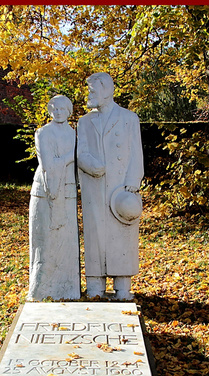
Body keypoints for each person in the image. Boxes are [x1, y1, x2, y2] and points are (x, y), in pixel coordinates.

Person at [75, 73, 143, 300]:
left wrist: (133, 181)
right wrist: (90, 165)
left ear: (106, 90)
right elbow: (81, 152)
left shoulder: (128, 118)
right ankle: (95, 285)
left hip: (121, 189)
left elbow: (136, 153)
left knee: (122, 235)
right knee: (95, 236)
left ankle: (123, 286)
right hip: (94, 187)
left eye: (93, 90)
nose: (89, 94)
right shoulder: (84, 122)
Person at [26, 96, 82, 301]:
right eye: (54, 108)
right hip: (45, 192)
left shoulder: (75, 135)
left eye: (62, 108)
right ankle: (41, 289)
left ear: (69, 111)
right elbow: (48, 164)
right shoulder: (43, 133)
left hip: (67, 192)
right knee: (45, 242)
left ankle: (68, 289)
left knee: (66, 242)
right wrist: (70, 156)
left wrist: (70, 157)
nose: (58, 112)